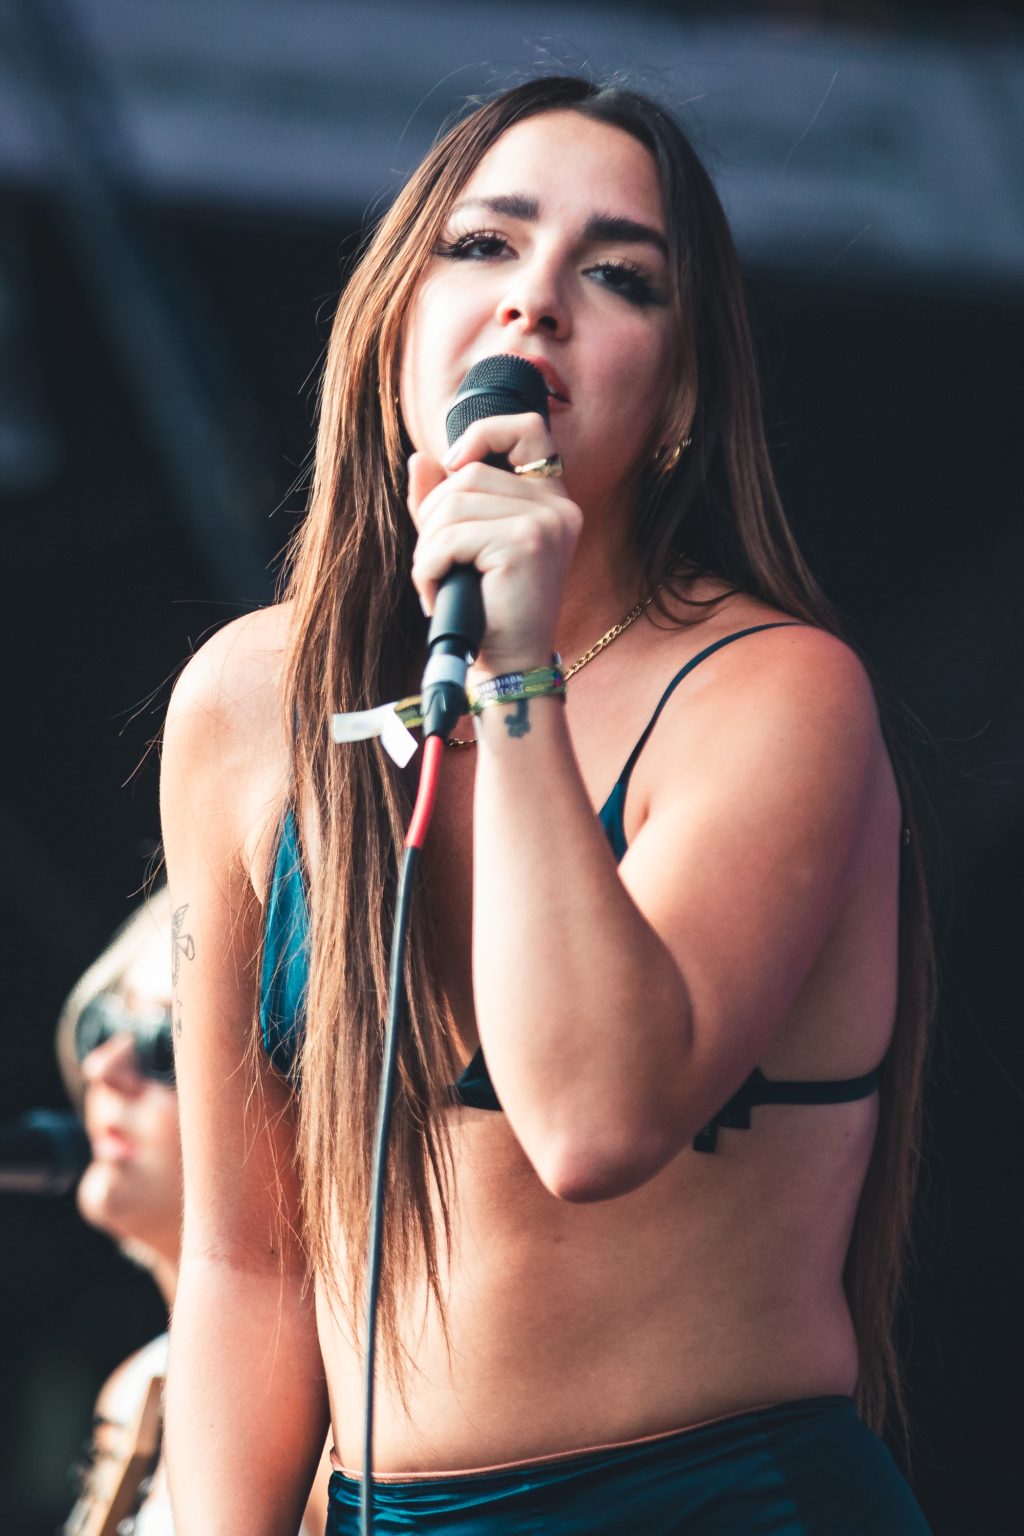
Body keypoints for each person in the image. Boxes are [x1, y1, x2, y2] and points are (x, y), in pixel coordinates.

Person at [160, 75, 935, 1534]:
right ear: (395, 322)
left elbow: (591, 1122)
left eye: (618, 274)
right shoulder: (249, 704)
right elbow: (248, 1261)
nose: (535, 304)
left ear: (679, 397)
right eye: (483, 247)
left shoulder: (775, 694)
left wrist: (513, 666)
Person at [57, 888, 330, 1536]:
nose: (103, 1067)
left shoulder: (335, 1429)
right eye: (104, 1025)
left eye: (162, 1044)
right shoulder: (137, 1390)